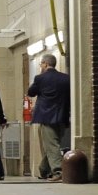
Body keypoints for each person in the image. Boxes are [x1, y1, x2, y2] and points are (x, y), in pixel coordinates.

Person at [27, 53, 70, 182]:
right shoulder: (66, 78)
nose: (41, 66)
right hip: (62, 116)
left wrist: (40, 76)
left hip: (46, 117)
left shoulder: (40, 79)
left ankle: (58, 171)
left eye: (41, 64)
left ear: (45, 64)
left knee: (52, 145)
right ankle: (44, 170)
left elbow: (31, 92)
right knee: (52, 144)